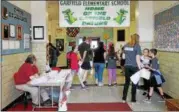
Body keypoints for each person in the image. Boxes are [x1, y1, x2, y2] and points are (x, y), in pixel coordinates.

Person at [122, 33, 142, 103]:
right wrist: (140, 68)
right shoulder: (137, 46)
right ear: (137, 39)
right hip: (134, 67)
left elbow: (123, 56)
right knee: (134, 83)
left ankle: (124, 99)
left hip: (127, 66)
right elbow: (137, 59)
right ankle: (133, 99)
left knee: (126, 83)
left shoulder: (126, 45)